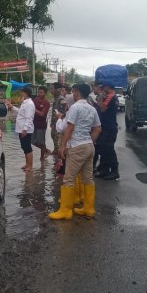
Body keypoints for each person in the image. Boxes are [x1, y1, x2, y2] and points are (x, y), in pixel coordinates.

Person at [49, 83, 101, 220]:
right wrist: (90, 141)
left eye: (73, 92)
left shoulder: (75, 107)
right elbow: (97, 129)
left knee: (68, 178)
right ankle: (89, 208)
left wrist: (62, 146)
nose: (72, 94)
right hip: (89, 146)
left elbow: (69, 128)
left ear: (77, 93)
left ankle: (65, 210)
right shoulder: (92, 108)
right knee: (87, 178)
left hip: (77, 146)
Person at [5, 87, 36, 171]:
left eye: (22, 93)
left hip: (25, 130)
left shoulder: (29, 104)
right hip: (21, 128)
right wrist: (12, 107)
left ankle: (30, 166)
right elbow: (21, 112)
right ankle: (27, 164)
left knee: (27, 147)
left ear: (25, 93)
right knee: (24, 147)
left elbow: (29, 118)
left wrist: (25, 129)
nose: (21, 94)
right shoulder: (25, 103)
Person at [96, 83, 120, 180]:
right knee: (103, 149)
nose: (102, 89)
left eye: (104, 87)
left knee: (109, 149)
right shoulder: (111, 96)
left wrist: (100, 99)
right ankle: (104, 169)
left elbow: (102, 109)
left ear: (108, 87)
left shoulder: (111, 97)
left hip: (109, 128)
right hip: (106, 126)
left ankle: (114, 171)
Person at [32, 86, 53, 161]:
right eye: (38, 92)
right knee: (32, 141)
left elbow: (42, 114)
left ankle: (42, 158)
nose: (39, 94)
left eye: (41, 92)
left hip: (41, 125)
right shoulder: (35, 100)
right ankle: (47, 150)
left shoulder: (46, 103)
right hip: (33, 124)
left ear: (45, 93)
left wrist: (34, 109)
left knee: (41, 142)